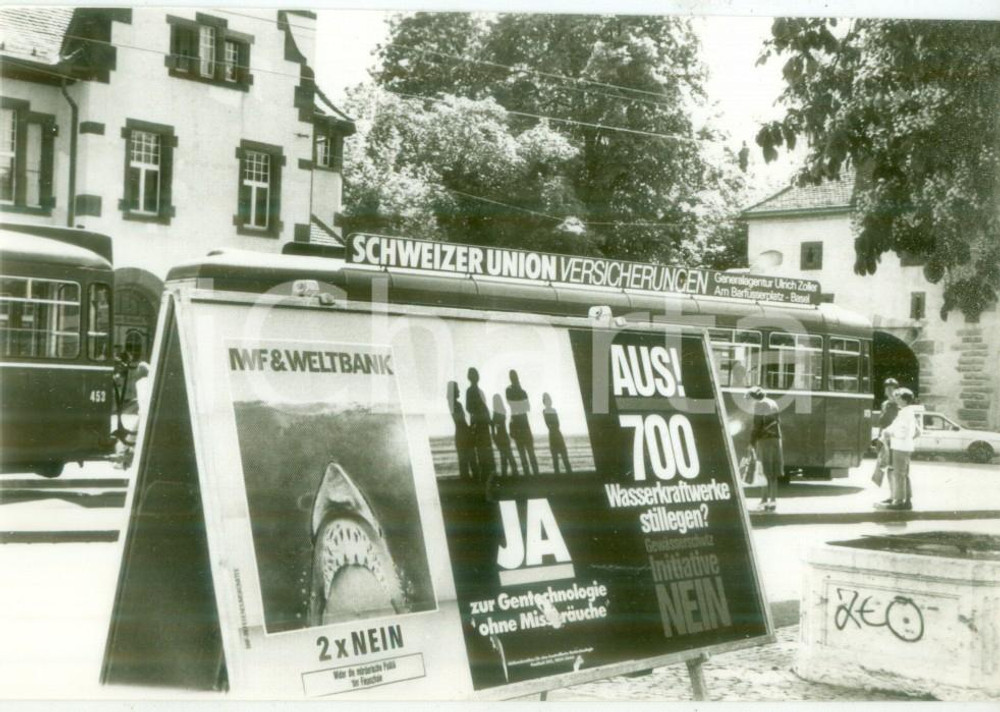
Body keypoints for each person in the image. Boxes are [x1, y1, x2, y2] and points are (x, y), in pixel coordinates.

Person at [878, 388, 922, 511]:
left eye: (898, 398)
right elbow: (916, 432)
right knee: (904, 474)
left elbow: (902, 432)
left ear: (904, 399)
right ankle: (907, 500)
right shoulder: (907, 412)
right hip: (905, 446)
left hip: (900, 446)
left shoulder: (905, 413)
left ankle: (899, 501)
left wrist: (889, 434)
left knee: (898, 474)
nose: (896, 400)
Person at [747, 386, 782, 512]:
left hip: (765, 441)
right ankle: (772, 501)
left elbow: (756, 426)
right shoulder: (773, 403)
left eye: (750, 399)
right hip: (776, 440)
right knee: (772, 472)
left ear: (754, 397)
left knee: (763, 472)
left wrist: (751, 442)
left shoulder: (759, 405)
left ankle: (764, 500)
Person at [506, 369, 539, 475]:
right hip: (522, 423)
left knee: (525, 452)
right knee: (527, 452)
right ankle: (534, 475)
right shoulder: (519, 391)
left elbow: (521, 406)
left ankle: (531, 475)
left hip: (519, 423)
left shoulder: (512, 390)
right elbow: (525, 407)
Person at [873, 377, 901, 502]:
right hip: (884, 441)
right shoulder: (884, 405)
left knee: (894, 469)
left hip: (895, 442)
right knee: (887, 469)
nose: (889, 391)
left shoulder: (899, 406)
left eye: (892, 388)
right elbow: (881, 424)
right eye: (887, 388)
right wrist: (879, 440)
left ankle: (897, 496)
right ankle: (892, 495)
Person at [466, 368, 495, 483]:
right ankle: (484, 478)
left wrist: (489, 420)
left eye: (476, 375)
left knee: (486, 450)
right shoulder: (470, 391)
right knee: (482, 451)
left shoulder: (479, 391)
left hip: (482, 423)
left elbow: (485, 407)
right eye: (474, 375)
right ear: (470, 377)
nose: (476, 377)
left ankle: (487, 477)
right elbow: (469, 407)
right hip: (478, 423)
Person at [447, 381, 475, 479]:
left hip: (459, 434)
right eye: (457, 389)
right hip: (464, 434)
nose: (459, 391)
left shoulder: (452, 404)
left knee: (463, 463)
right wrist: (470, 428)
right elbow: (461, 422)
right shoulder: (457, 404)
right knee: (471, 461)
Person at [542, 393, 572, 474]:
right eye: (547, 400)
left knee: (565, 458)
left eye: (549, 399)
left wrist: (553, 425)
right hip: (553, 435)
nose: (549, 401)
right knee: (556, 460)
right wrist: (553, 425)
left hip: (557, 434)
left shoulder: (553, 410)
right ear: (544, 401)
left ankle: (570, 477)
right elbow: (549, 425)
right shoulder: (545, 411)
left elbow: (557, 424)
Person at [491, 394, 519, 477]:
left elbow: (493, 424)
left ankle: (505, 473)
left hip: (499, 435)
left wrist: (493, 435)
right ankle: (514, 472)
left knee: (503, 456)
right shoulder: (503, 411)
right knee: (509, 455)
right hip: (504, 435)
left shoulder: (496, 412)